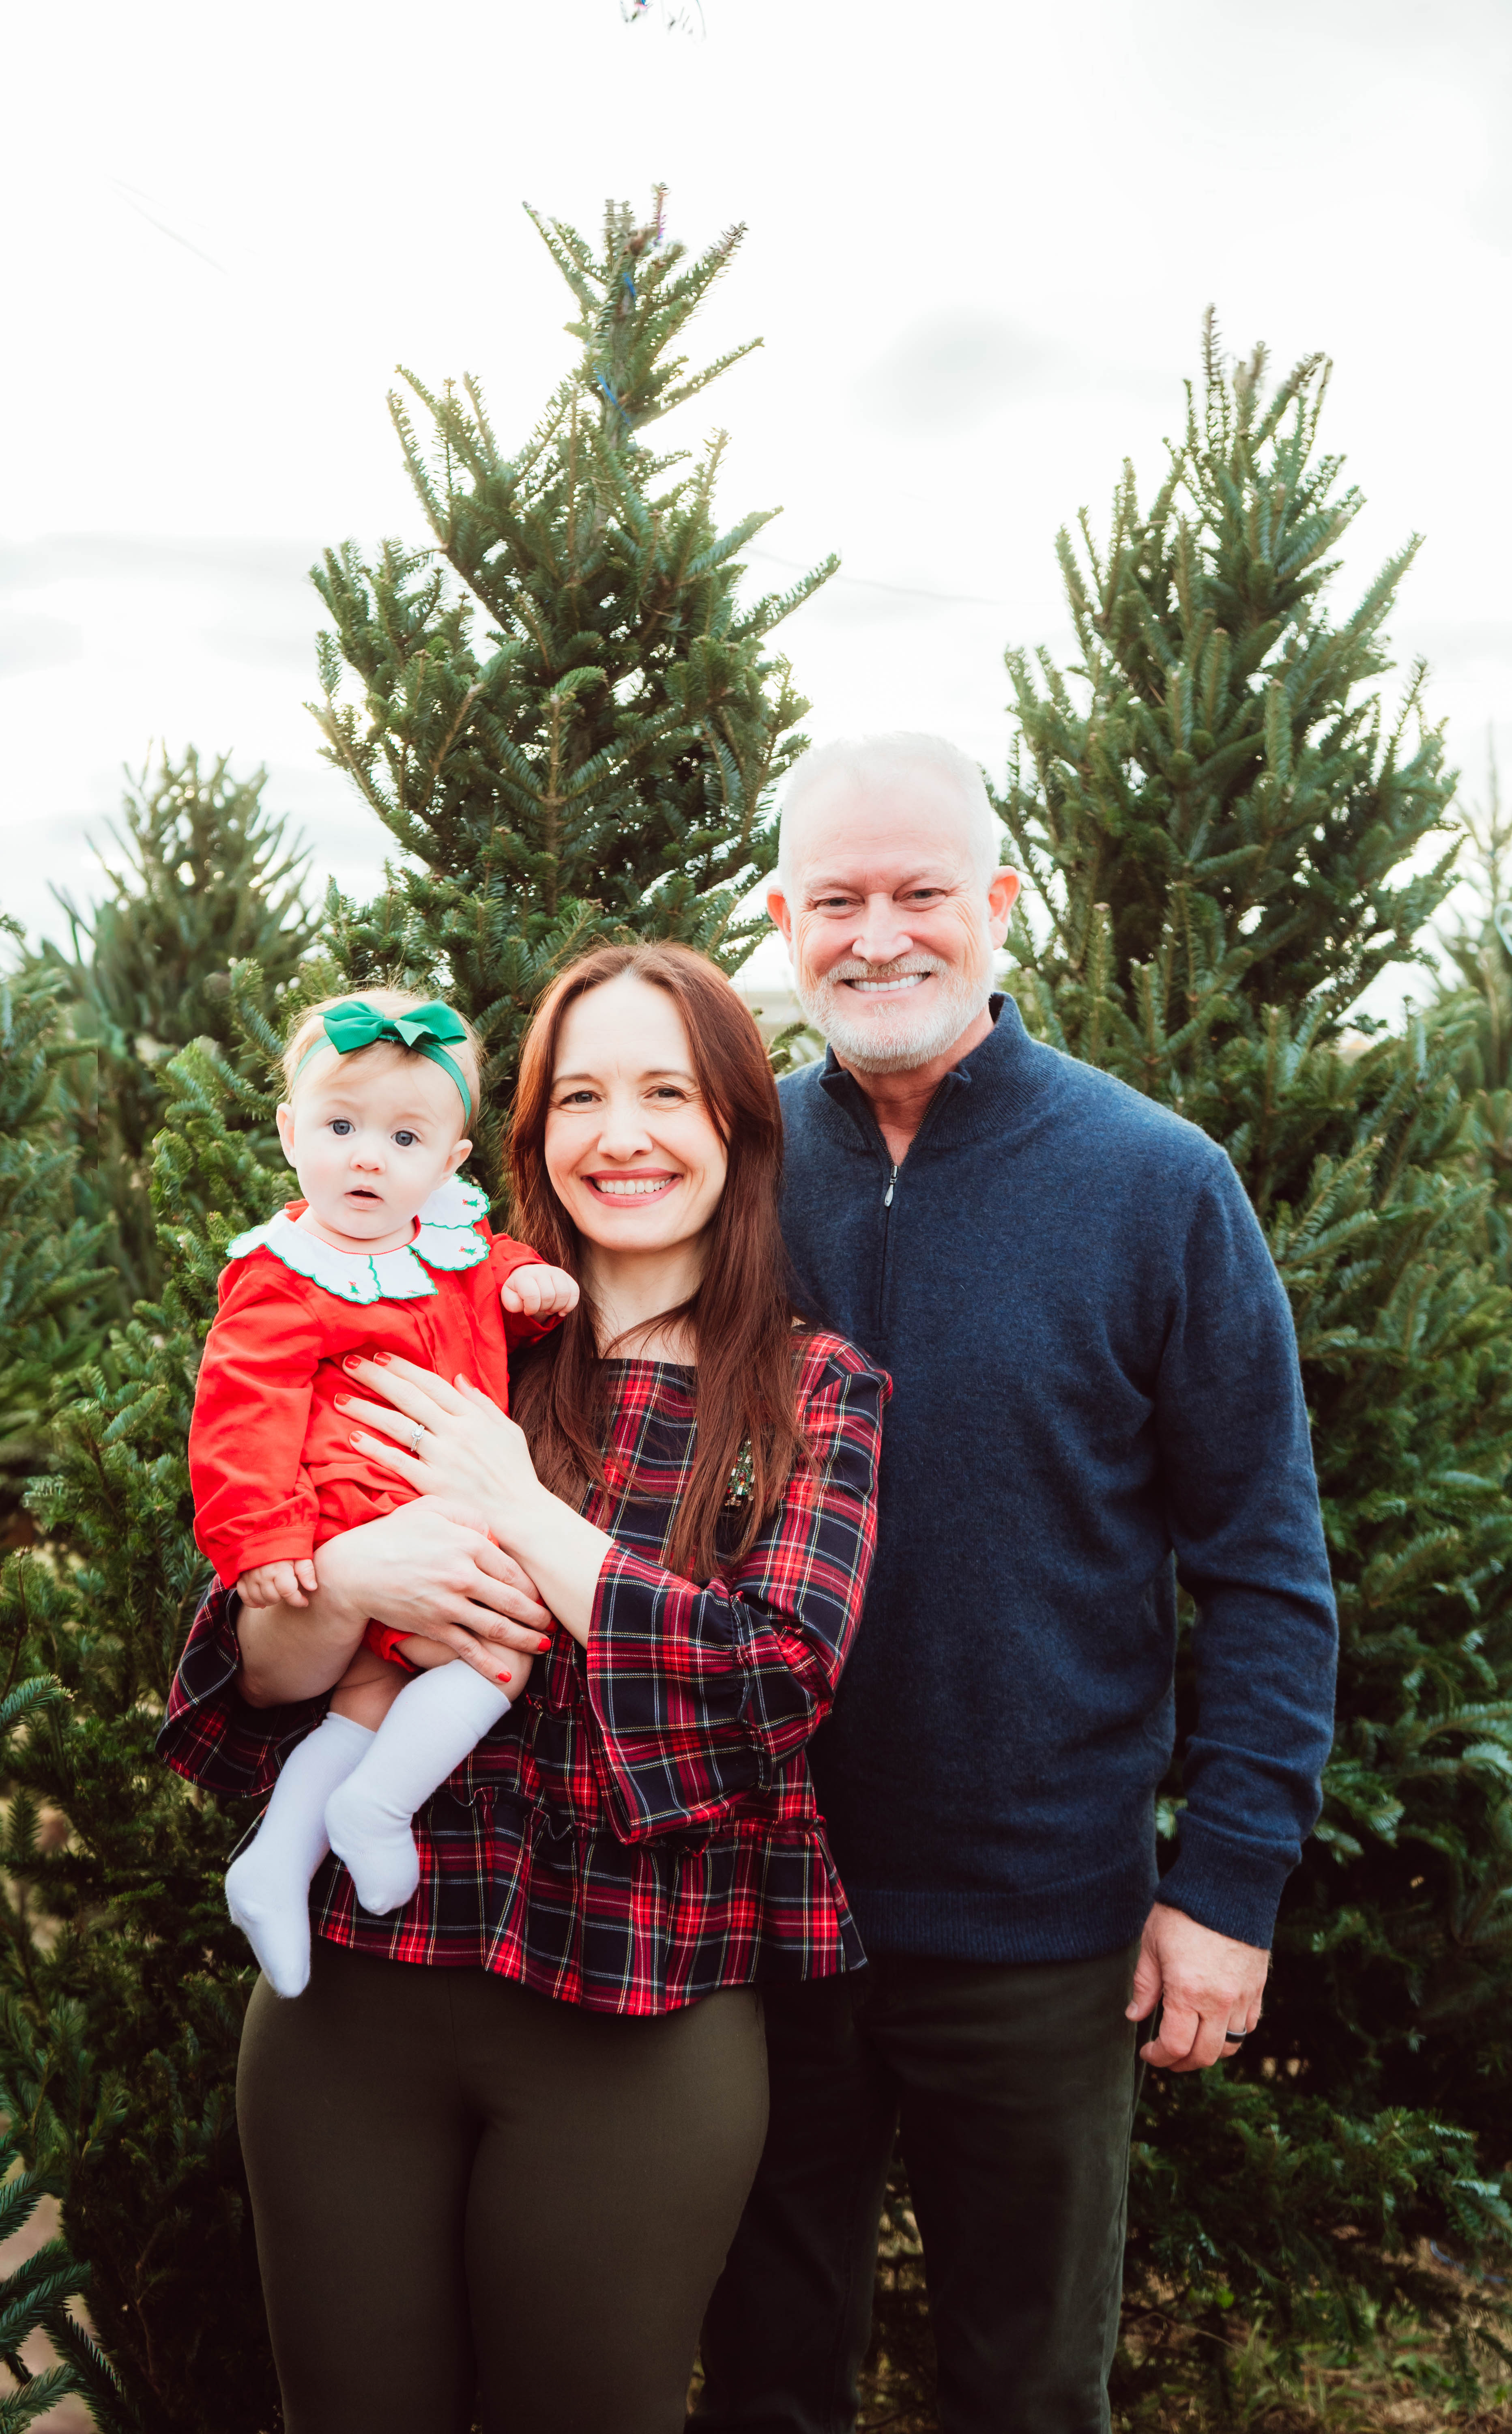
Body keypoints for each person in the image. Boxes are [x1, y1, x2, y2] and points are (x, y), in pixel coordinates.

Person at [696, 735, 1339, 2434]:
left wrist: (1228, 1889)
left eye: (920, 893)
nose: (878, 935)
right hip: (761, 1911)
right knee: (764, 2376)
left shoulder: (1154, 1185)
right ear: (783, 920)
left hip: (1039, 1927)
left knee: (1027, 2388)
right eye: (835, 900)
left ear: (997, 905)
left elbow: (1265, 1567)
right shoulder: (732, 1174)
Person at [159, 942, 888, 2434]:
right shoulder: (431, 1327)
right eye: (582, 1096)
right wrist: (349, 1583)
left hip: (634, 2017)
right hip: (351, 2005)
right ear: (535, 1132)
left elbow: (769, 1685)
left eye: (668, 1093)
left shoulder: (811, 1391)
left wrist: (526, 1513)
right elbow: (261, 1669)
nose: (622, 1134)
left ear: (743, 1128)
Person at [188, 987, 578, 1994]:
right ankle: (378, 1807)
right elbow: (241, 1410)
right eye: (341, 1125)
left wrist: (531, 1285)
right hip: (355, 1515)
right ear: (288, 1132)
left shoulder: (449, 1248)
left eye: (404, 1136)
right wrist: (264, 1541)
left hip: (430, 1509)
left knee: (364, 1702)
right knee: (502, 1649)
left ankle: (276, 1861)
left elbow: (494, 1295)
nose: (368, 1156)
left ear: (448, 1165)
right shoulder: (283, 1275)